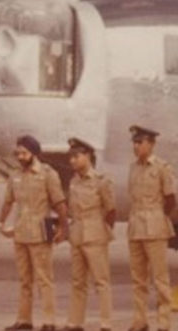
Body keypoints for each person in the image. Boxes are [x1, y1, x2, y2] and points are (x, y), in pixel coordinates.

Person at [0, 135, 68, 331]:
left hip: (40, 233)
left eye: (24, 153)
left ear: (34, 153)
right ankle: (24, 320)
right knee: (24, 279)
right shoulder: (15, 175)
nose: (20, 156)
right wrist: (0, 222)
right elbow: (8, 201)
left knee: (44, 279)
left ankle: (49, 321)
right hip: (20, 233)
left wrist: (63, 228)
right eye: (18, 153)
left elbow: (60, 203)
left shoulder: (47, 174)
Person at [126, 124, 176, 331]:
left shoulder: (162, 168)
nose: (136, 147)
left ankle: (164, 322)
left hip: (155, 226)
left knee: (160, 278)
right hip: (136, 226)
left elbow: (170, 200)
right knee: (138, 278)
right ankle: (140, 320)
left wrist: (156, 216)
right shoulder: (133, 167)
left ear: (151, 144)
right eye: (134, 143)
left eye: (140, 142)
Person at [64, 137, 116, 331]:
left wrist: (103, 230)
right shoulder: (73, 182)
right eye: (71, 157)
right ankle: (75, 322)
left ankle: (105, 322)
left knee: (101, 281)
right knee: (78, 281)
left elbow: (110, 210)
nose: (72, 161)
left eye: (76, 156)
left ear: (87, 156)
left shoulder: (101, 181)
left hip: (95, 234)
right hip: (77, 234)